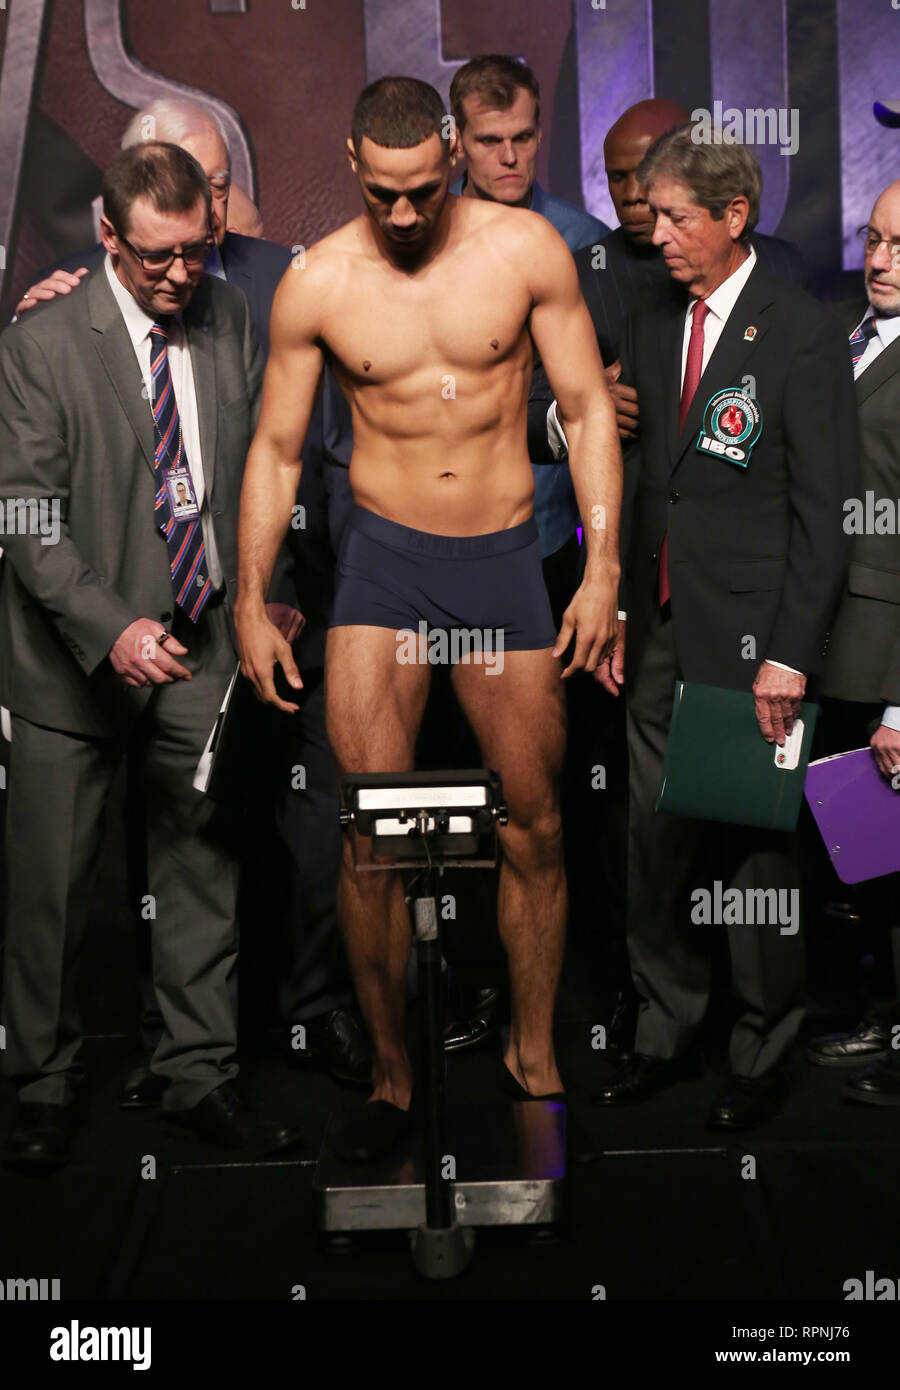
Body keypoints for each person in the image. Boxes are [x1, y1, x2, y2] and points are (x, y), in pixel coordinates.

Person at [235, 76, 622, 1163]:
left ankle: (534, 1060)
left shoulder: (525, 254)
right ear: (354, 161)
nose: (405, 215)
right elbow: (272, 451)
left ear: (451, 155)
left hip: (503, 563)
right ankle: (394, 1079)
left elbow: (588, 412)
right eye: (384, 192)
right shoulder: (319, 281)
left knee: (533, 824)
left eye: (422, 190)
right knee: (372, 834)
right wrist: (253, 598)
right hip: (384, 567)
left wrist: (600, 573)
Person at [12, 99, 370, 1094]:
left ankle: (197, 1071)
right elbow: (26, 518)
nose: (179, 274)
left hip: (202, 643)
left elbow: (267, 469)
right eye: (155, 256)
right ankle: (39, 1080)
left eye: (193, 250)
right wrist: (109, 625)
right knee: (51, 886)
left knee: (201, 874)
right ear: (107, 235)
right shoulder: (41, 342)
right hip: (71, 660)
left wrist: (258, 594)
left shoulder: (230, 321)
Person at [589, 126, 858, 1128]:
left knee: (752, 856)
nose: (656, 234)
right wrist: (616, 605)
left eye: (675, 218)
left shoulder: (801, 329)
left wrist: (790, 653)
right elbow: (645, 479)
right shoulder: (654, 321)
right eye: (651, 214)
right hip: (656, 624)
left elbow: (824, 512)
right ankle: (664, 1029)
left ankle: (762, 1049)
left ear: (734, 217)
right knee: (654, 843)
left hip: (755, 643)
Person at [805, 180, 900, 1106]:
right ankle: (867, 1014)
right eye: (873, 239)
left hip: (887, 662)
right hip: (836, 647)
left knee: (891, 860)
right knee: (859, 854)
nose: (878, 261)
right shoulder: (850, 336)